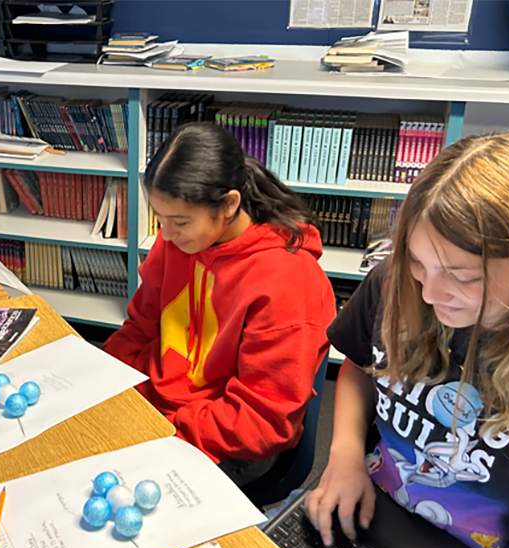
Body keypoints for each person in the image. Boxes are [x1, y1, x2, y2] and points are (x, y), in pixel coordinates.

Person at [306, 133, 509, 548]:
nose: (429, 293)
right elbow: (360, 367)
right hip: (373, 514)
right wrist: (345, 456)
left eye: (462, 277)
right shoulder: (397, 284)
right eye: (417, 261)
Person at [103, 123, 336, 486]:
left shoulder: (286, 280)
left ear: (229, 205)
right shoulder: (181, 240)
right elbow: (139, 328)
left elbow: (264, 420)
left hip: (228, 437)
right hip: (165, 408)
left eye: (180, 222)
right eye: (160, 219)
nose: (166, 235)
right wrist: (103, 385)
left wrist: (165, 430)